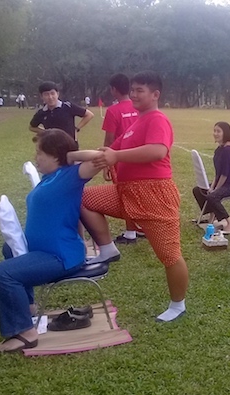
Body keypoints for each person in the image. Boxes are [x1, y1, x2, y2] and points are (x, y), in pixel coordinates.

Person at [79, 71, 189, 323]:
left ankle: (177, 305)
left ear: (155, 94)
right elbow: (108, 150)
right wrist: (69, 158)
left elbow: (158, 151)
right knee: (83, 198)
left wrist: (116, 158)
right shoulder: (136, 123)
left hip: (154, 196)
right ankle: (108, 250)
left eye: (141, 90)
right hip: (126, 193)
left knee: (169, 256)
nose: (135, 94)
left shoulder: (157, 119)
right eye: (133, 90)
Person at [0, 129, 102, 353]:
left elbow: (101, 158)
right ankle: (28, 308)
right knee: (9, 249)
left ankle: (26, 334)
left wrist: (69, 156)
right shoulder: (50, 179)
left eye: (40, 153)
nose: (36, 157)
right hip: (44, 251)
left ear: (56, 155)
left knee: (2, 273)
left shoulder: (71, 176)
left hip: (60, 256)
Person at [101, 73, 141, 245]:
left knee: (125, 194)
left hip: (121, 158)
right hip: (140, 155)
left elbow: (109, 140)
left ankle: (131, 233)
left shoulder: (113, 111)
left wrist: (105, 163)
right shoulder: (140, 106)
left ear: (114, 90)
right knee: (140, 191)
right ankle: (141, 226)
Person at [192, 121, 230, 231]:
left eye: (218, 131)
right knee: (198, 190)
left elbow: (224, 174)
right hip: (222, 182)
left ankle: (229, 221)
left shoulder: (227, 150)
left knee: (212, 196)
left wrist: (215, 189)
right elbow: (218, 173)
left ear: (225, 133)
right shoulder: (219, 150)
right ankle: (212, 216)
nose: (215, 133)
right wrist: (212, 187)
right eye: (214, 131)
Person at [29, 81, 94, 143]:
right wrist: (45, 132)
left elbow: (89, 115)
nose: (50, 97)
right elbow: (31, 127)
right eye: (46, 94)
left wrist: (76, 129)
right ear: (41, 96)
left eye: (52, 93)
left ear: (57, 94)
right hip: (51, 147)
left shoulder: (68, 106)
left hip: (70, 146)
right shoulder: (41, 112)